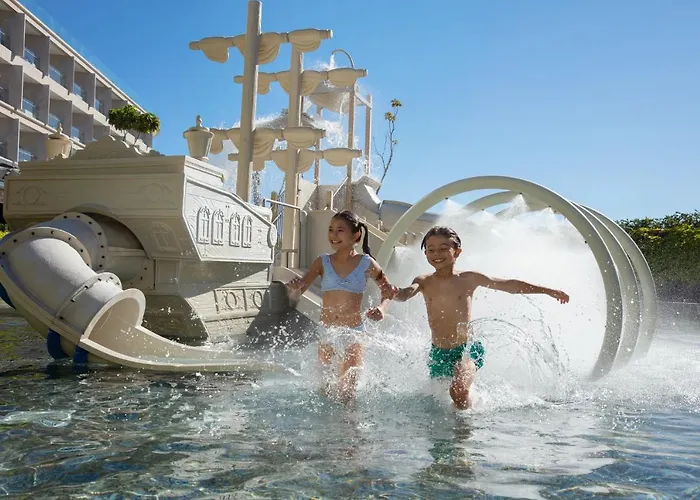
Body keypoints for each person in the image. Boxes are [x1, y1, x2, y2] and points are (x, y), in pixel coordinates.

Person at [376, 226, 570, 410]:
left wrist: (547, 291)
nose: (437, 254)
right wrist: (393, 291)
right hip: (439, 353)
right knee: (446, 399)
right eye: (431, 250)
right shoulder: (424, 281)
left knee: (458, 390)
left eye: (443, 249)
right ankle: (461, 418)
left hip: (467, 349)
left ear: (457, 251)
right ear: (425, 253)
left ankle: (466, 427)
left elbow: (509, 285)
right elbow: (405, 294)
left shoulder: (469, 278)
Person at [287, 210, 398, 402]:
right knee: (325, 391)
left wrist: (382, 308)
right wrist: (295, 289)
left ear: (356, 235)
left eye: (340, 230)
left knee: (347, 392)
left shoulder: (367, 263)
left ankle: (351, 421)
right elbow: (296, 295)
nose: (333, 235)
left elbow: (389, 291)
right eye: (330, 230)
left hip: (353, 333)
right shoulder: (322, 261)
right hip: (327, 332)